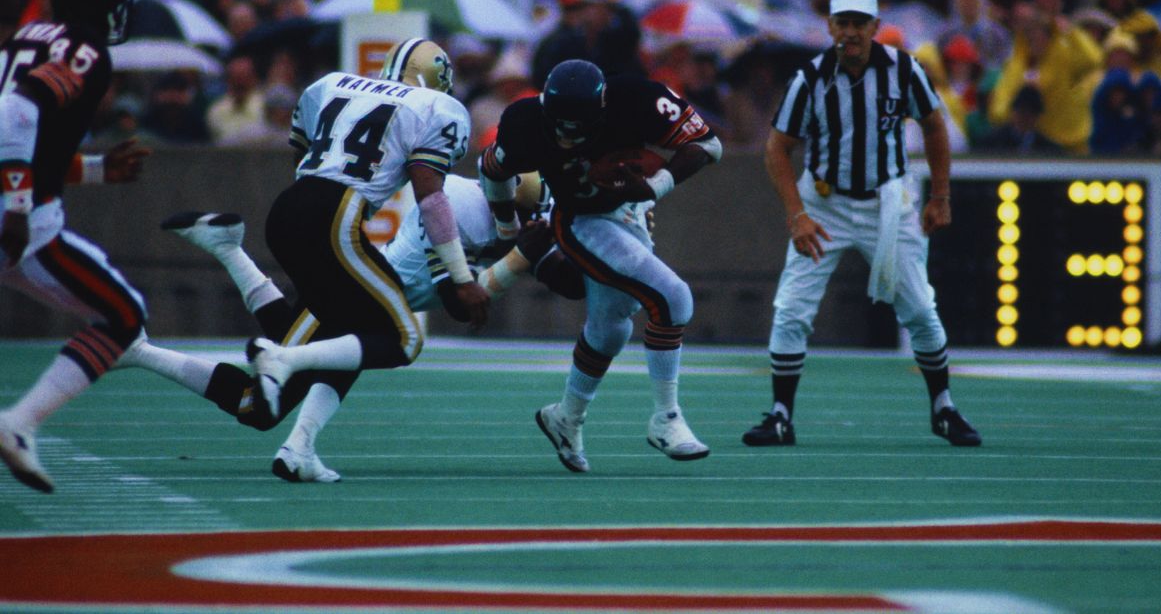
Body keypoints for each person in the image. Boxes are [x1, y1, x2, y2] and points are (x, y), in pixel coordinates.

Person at [135, 171, 581, 482]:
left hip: (373, 300)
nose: (522, 223)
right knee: (258, 406)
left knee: (329, 351)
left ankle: (299, 449)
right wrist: (519, 259)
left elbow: (567, 283)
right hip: (360, 291)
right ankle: (140, 351)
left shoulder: (527, 215)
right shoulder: (460, 204)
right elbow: (461, 305)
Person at [741, 0, 981, 449]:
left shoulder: (905, 70)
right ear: (830, 26)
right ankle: (780, 414)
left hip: (888, 200)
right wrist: (796, 215)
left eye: (859, 24)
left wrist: (941, 196)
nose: (850, 33)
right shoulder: (810, 78)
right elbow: (777, 148)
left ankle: (944, 408)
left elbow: (934, 125)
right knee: (792, 307)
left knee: (919, 308)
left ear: (875, 27)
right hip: (825, 201)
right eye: (843, 23)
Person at [479, 59, 722, 472]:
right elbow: (492, 169)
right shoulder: (525, 120)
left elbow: (709, 145)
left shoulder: (636, 98)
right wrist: (507, 230)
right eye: (561, 125)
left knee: (609, 330)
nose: (569, 136)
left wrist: (652, 188)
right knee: (672, 297)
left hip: (628, 210)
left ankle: (565, 417)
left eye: (580, 125)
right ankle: (666, 419)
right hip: (580, 220)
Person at [243, 38, 492, 419]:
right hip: (336, 215)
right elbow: (431, 197)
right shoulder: (436, 107)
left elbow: (303, 152)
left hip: (287, 209)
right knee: (404, 338)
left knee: (330, 327)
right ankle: (280, 357)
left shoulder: (330, 85)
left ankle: (296, 443)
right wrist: (461, 276)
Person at [0, 0, 154, 492]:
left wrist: (92, 170)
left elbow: (24, 136)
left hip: (15, 204)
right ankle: (18, 423)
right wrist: (17, 206)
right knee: (124, 314)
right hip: (20, 222)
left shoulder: (26, 38)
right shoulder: (84, 50)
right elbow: (15, 115)